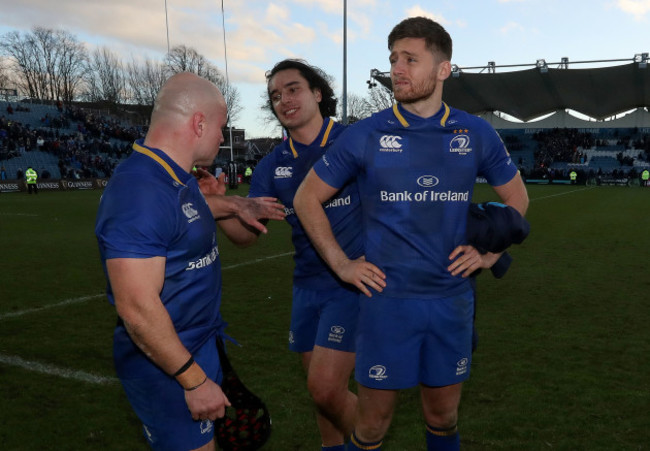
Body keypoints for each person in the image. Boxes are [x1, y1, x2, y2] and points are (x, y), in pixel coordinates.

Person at [293, 17, 529, 451]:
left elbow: (517, 200)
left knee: (443, 417)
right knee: (372, 427)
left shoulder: (475, 133)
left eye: (410, 59)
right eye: (393, 59)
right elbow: (306, 199)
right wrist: (342, 264)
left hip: (450, 300)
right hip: (388, 305)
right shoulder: (365, 134)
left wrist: (490, 254)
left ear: (443, 70)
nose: (396, 69)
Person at [95, 72, 285, 451]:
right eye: (221, 125)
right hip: (167, 364)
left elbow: (180, 217)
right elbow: (137, 309)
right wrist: (193, 380)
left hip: (199, 344)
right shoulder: (140, 192)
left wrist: (233, 203)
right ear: (199, 123)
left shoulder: (175, 177)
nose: (222, 135)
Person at [205, 59, 363, 451]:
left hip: (352, 282)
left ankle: (371, 435)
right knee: (321, 395)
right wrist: (222, 205)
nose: (284, 100)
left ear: (317, 93)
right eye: (276, 96)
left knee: (326, 389)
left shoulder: (355, 141)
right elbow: (246, 238)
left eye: (293, 89)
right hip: (307, 288)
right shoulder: (272, 165)